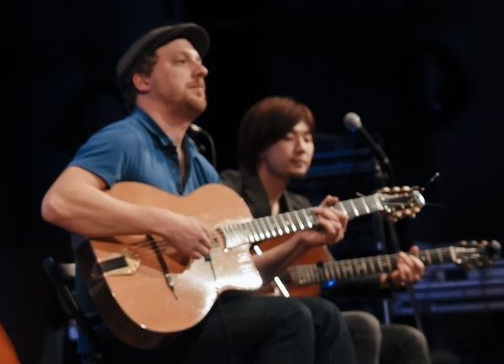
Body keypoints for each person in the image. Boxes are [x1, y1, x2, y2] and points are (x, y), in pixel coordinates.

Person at [40, 23, 357, 364]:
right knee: (290, 318)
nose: (202, 70)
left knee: (325, 316)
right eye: (181, 62)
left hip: (189, 320)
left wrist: (300, 243)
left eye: (200, 63)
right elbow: (59, 203)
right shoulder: (123, 140)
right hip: (135, 335)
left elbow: (236, 276)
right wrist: (167, 224)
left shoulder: (199, 165)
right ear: (143, 81)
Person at [223, 97, 430, 364]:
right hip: (241, 312)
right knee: (362, 325)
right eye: (289, 137)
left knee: (407, 340)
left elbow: (327, 275)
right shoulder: (230, 191)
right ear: (261, 144)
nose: (302, 148)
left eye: (308, 139)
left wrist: (387, 278)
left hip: (299, 311)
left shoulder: (299, 205)